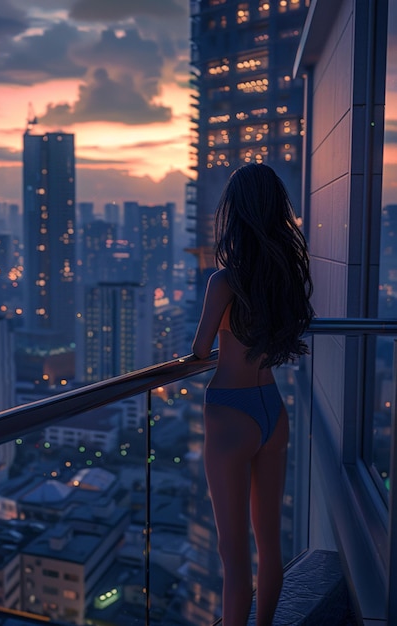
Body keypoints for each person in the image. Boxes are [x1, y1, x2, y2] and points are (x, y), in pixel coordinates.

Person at [192, 163, 314, 625]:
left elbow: (201, 348)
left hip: (229, 416)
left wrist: (221, 323)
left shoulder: (225, 281)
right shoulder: (282, 278)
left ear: (235, 214)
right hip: (272, 412)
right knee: (270, 546)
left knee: (232, 553)